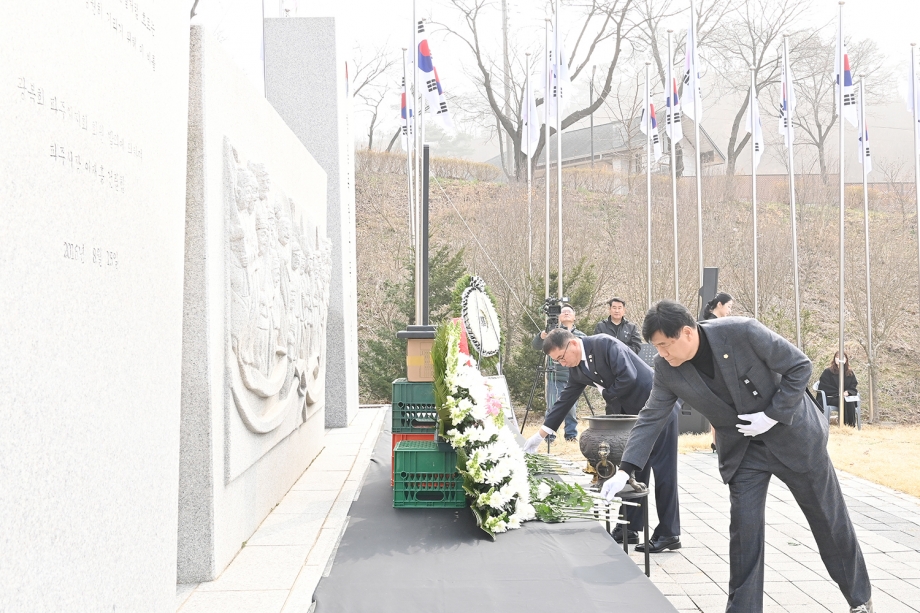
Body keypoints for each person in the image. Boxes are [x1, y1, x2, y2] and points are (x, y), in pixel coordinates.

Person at [601, 301, 872, 613]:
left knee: (828, 520)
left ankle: (860, 599)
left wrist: (772, 415)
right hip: (744, 451)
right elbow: (651, 417)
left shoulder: (742, 331)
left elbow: (800, 366)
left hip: (793, 438)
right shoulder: (666, 369)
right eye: (656, 347)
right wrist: (626, 469)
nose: (661, 353)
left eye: (664, 345)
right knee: (744, 532)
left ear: (687, 333)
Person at [524, 328, 681, 553]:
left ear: (573, 345)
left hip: (657, 407)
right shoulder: (577, 368)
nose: (562, 364)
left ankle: (669, 533)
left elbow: (628, 377)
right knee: (633, 469)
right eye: (556, 361)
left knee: (663, 470)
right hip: (631, 417)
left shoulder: (605, 345)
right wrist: (540, 435)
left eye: (561, 358)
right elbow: (565, 400)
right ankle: (630, 527)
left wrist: (604, 393)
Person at [531, 305, 585, 441]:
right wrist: (542, 335)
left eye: (569, 312)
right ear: (559, 317)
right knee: (552, 406)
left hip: (573, 377)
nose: (566, 313)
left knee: (571, 409)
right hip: (554, 376)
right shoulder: (552, 335)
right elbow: (536, 345)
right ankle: (549, 436)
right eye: (563, 312)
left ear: (574, 317)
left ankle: (571, 435)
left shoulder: (580, 335)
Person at [819, 351, 859, 427]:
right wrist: (839, 393)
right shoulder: (828, 372)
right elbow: (824, 386)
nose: (839, 359)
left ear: (846, 359)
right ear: (834, 359)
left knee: (849, 400)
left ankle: (850, 425)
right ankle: (843, 424)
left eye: (842, 357)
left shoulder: (849, 373)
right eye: (837, 357)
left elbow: (853, 386)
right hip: (831, 397)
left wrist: (848, 392)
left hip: (846, 396)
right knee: (843, 400)